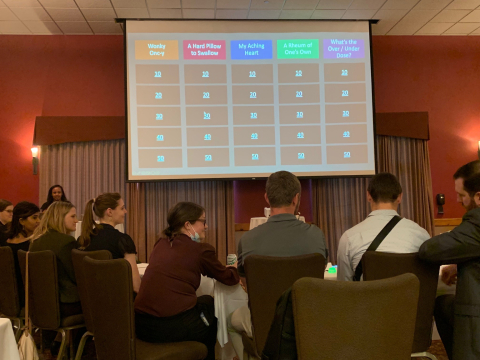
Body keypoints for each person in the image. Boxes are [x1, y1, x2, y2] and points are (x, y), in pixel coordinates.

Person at [232, 171, 327, 353]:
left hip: (264, 325)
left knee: (233, 321)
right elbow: (318, 278)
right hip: (307, 324)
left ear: (267, 198)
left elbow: (245, 283)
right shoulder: (316, 236)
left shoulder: (248, 239)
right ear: (296, 198)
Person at [134, 202, 239, 360]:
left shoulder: (161, 243)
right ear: (188, 224)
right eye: (203, 221)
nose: (206, 226)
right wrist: (235, 267)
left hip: (142, 325)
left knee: (206, 302)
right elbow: (229, 278)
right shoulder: (201, 251)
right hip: (170, 326)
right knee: (213, 313)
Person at [419, 160, 480, 360]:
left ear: (478, 197)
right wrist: (457, 263)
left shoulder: (477, 224)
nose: (458, 200)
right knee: (445, 305)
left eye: (462, 195)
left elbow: (429, 249)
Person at [337, 172, 430, 281]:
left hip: (368, 297)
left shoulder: (349, 238)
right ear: (400, 197)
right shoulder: (421, 235)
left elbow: (344, 288)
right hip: (408, 298)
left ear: (368, 196)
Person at [78, 192, 141, 293]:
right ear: (110, 212)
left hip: (89, 302)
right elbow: (136, 286)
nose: (125, 211)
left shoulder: (83, 239)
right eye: (122, 208)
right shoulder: (123, 240)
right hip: (117, 301)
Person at [30, 201, 81, 316]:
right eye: (72, 216)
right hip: (66, 304)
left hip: (41, 304)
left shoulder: (35, 241)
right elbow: (77, 276)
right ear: (60, 217)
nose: (76, 221)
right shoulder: (67, 242)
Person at [3, 201, 40, 306]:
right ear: (22, 221)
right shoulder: (31, 245)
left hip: (8, 296)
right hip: (27, 295)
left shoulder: (5, 241)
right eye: (34, 217)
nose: (39, 221)